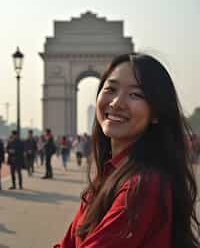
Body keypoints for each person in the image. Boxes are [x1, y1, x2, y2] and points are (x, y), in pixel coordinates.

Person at [54, 53, 200, 248]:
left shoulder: (141, 186)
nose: (116, 103)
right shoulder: (108, 176)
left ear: (156, 112)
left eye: (135, 94)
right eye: (110, 89)